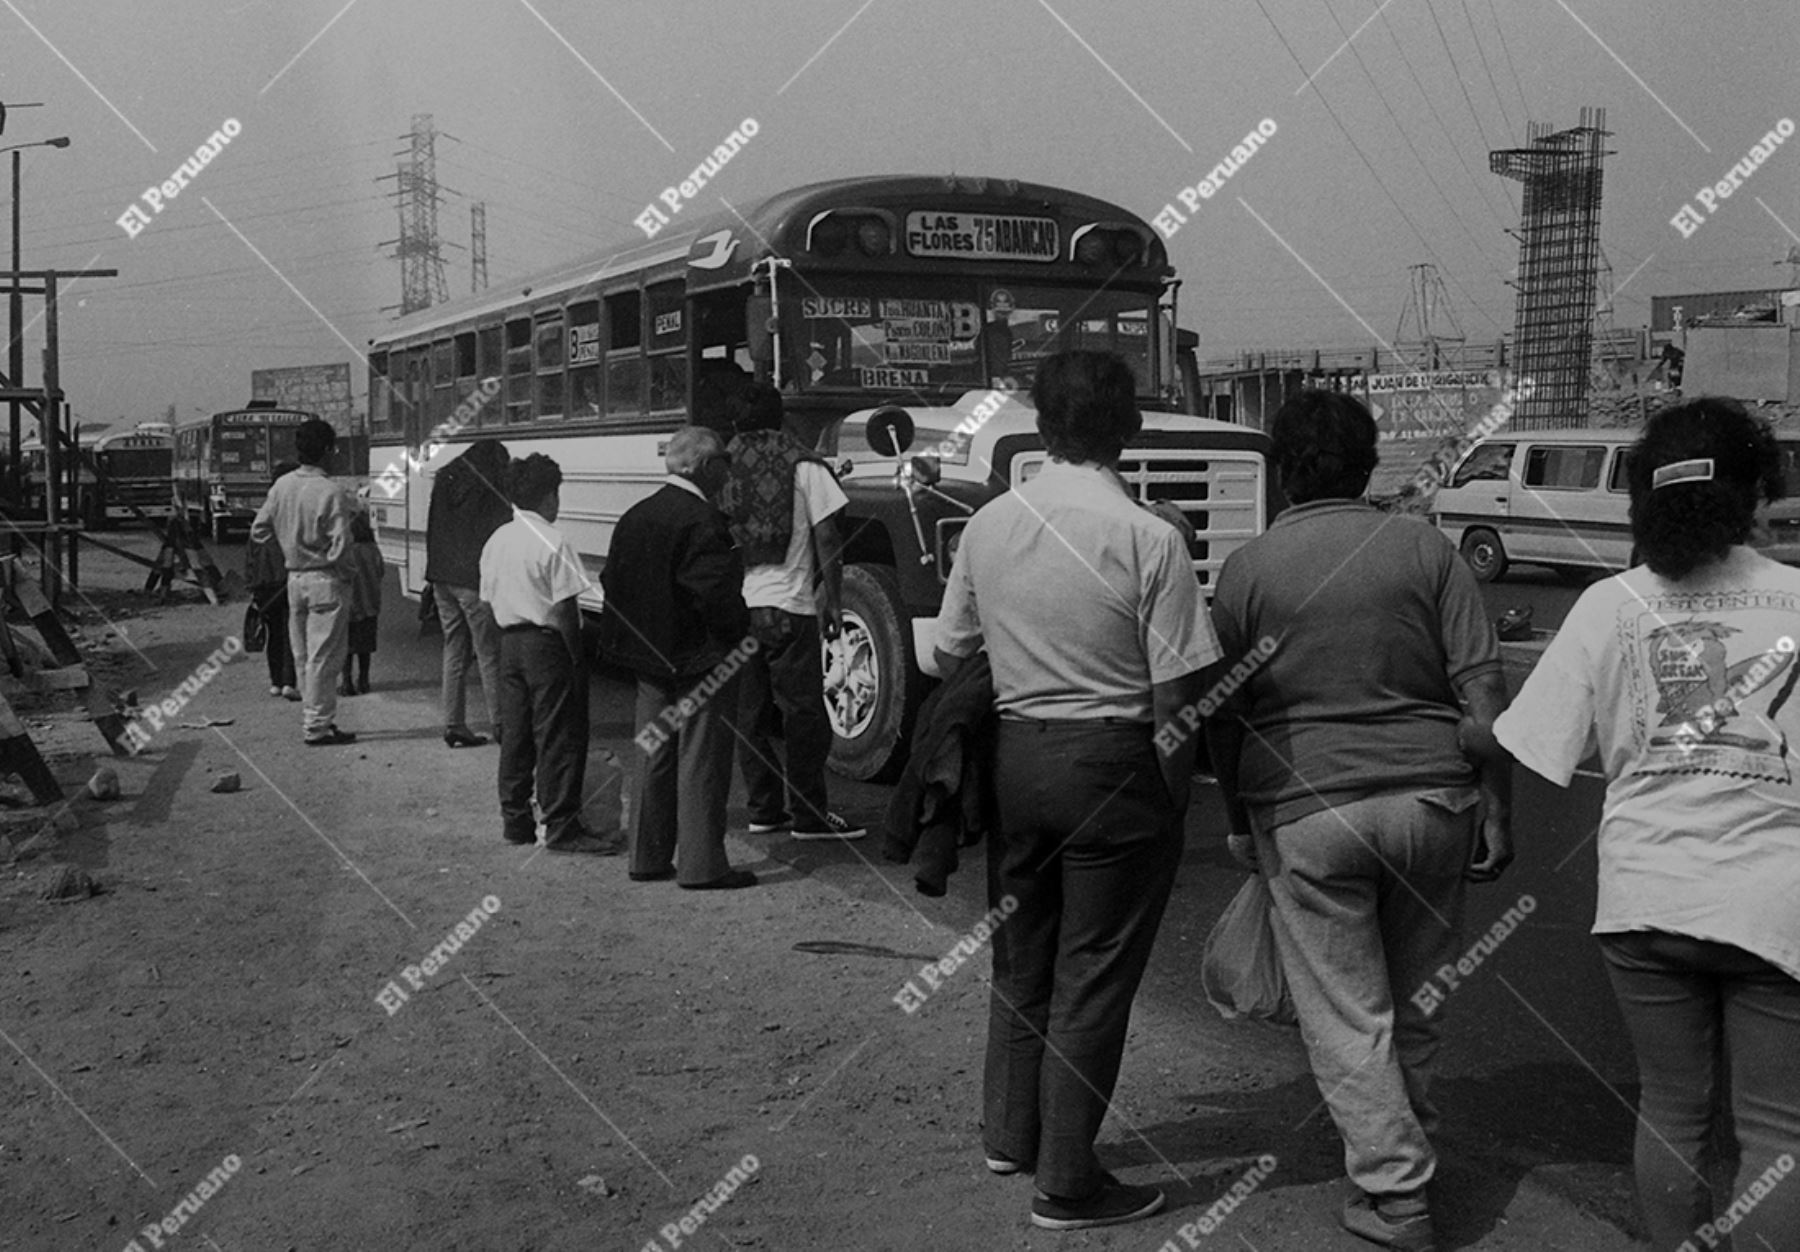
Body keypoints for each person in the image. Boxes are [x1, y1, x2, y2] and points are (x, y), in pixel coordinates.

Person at [1487, 399, 1800, 1252]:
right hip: (1778, 907)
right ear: (1759, 491)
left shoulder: (1608, 606)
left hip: (1645, 903)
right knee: (1777, 1133)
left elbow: (1528, 741)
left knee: (1673, 1110)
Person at [1204, 389, 1511, 1252]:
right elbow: (1483, 697)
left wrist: (1237, 818)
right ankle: (1408, 1163)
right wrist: (1499, 808)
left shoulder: (1249, 570)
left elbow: (1225, 714)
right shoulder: (1426, 549)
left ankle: (1397, 1194)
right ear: (1369, 464)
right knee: (1416, 1006)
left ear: (1283, 471)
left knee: (1349, 1017)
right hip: (1433, 802)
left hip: (1308, 813)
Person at [933, 350, 1216, 1231]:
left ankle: (1009, 1135)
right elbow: (1177, 693)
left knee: (1024, 959)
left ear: (1041, 428)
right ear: (1126, 429)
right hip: (1113, 760)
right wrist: (1171, 795)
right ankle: (1067, 1182)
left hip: (1018, 757)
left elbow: (947, 651)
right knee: (1094, 974)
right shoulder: (1149, 536)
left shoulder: (989, 525)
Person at [600, 426, 756, 890]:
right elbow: (715, 595)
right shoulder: (705, 521)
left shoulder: (636, 515)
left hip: (648, 657)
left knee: (653, 753)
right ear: (706, 466)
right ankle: (703, 866)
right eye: (723, 463)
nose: (727, 472)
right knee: (701, 760)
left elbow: (612, 581)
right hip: (700, 658)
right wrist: (737, 634)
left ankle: (646, 857)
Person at [721, 382, 865, 841]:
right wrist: (835, 600)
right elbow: (827, 538)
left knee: (750, 716)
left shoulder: (720, 466)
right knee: (804, 715)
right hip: (789, 608)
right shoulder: (805, 464)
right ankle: (809, 814)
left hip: (740, 611)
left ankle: (763, 809)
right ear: (782, 416)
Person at [479, 453, 614, 854]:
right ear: (548, 495)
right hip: (546, 644)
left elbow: (487, 604)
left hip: (509, 642)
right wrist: (576, 658)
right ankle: (560, 825)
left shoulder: (496, 540)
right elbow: (563, 611)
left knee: (516, 736)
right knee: (558, 736)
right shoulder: (553, 541)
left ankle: (515, 821)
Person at [249, 419, 357, 746]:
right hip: (326, 579)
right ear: (326, 450)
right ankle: (317, 725)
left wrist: (288, 544)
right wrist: (339, 568)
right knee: (325, 657)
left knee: (303, 655)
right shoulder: (331, 491)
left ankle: (314, 719)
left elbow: (258, 530)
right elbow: (341, 546)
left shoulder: (282, 486)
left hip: (294, 579)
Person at [425, 439, 511, 748]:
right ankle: (502, 724)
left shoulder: (445, 477)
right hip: (472, 580)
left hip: (441, 577)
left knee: (454, 650)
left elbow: (432, 526)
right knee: (489, 653)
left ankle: (454, 724)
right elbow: (501, 533)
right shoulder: (490, 486)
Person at [245, 460, 299, 702]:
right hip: (285, 582)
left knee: (274, 633)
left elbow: (250, 558)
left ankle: (276, 681)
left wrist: (252, 588)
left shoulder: (263, 515)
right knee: (291, 633)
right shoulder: (290, 513)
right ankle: (290, 681)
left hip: (263, 587)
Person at [340, 510, 383, 697]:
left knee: (346, 646)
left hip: (349, 605)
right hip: (370, 603)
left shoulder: (346, 551)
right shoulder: (373, 550)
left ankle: (347, 682)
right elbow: (380, 571)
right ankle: (364, 680)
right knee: (365, 646)